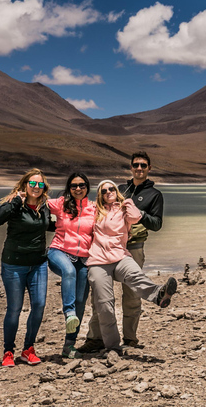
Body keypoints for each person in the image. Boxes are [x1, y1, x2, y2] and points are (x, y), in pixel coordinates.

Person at [79, 151, 164, 352]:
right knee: (100, 296)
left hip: (133, 248)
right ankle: (96, 338)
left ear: (149, 168)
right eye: (136, 165)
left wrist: (140, 214)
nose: (139, 168)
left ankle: (130, 338)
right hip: (105, 251)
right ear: (131, 167)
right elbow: (98, 211)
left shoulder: (154, 195)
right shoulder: (120, 189)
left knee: (132, 294)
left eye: (143, 165)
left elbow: (157, 224)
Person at [0, 168, 51, 367]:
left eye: (40, 184)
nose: (36, 187)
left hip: (38, 264)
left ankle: (28, 349)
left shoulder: (45, 207)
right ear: (25, 185)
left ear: (44, 188)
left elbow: (56, 225)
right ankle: (8, 351)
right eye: (32, 183)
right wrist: (16, 201)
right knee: (14, 309)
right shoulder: (14, 205)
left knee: (39, 306)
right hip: (14, 264)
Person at [46, 172, 96, 359]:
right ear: (69, 188)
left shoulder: (93, 208)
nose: (77, 189)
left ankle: (69, 345)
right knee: (68, 271)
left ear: (87, 187)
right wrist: (19, 195)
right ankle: (69, 313)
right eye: (73, 186)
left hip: (84, 258)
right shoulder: (60, 204)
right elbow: (37, 200)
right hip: (59, 251)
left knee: (81, 302)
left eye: (81, 185)